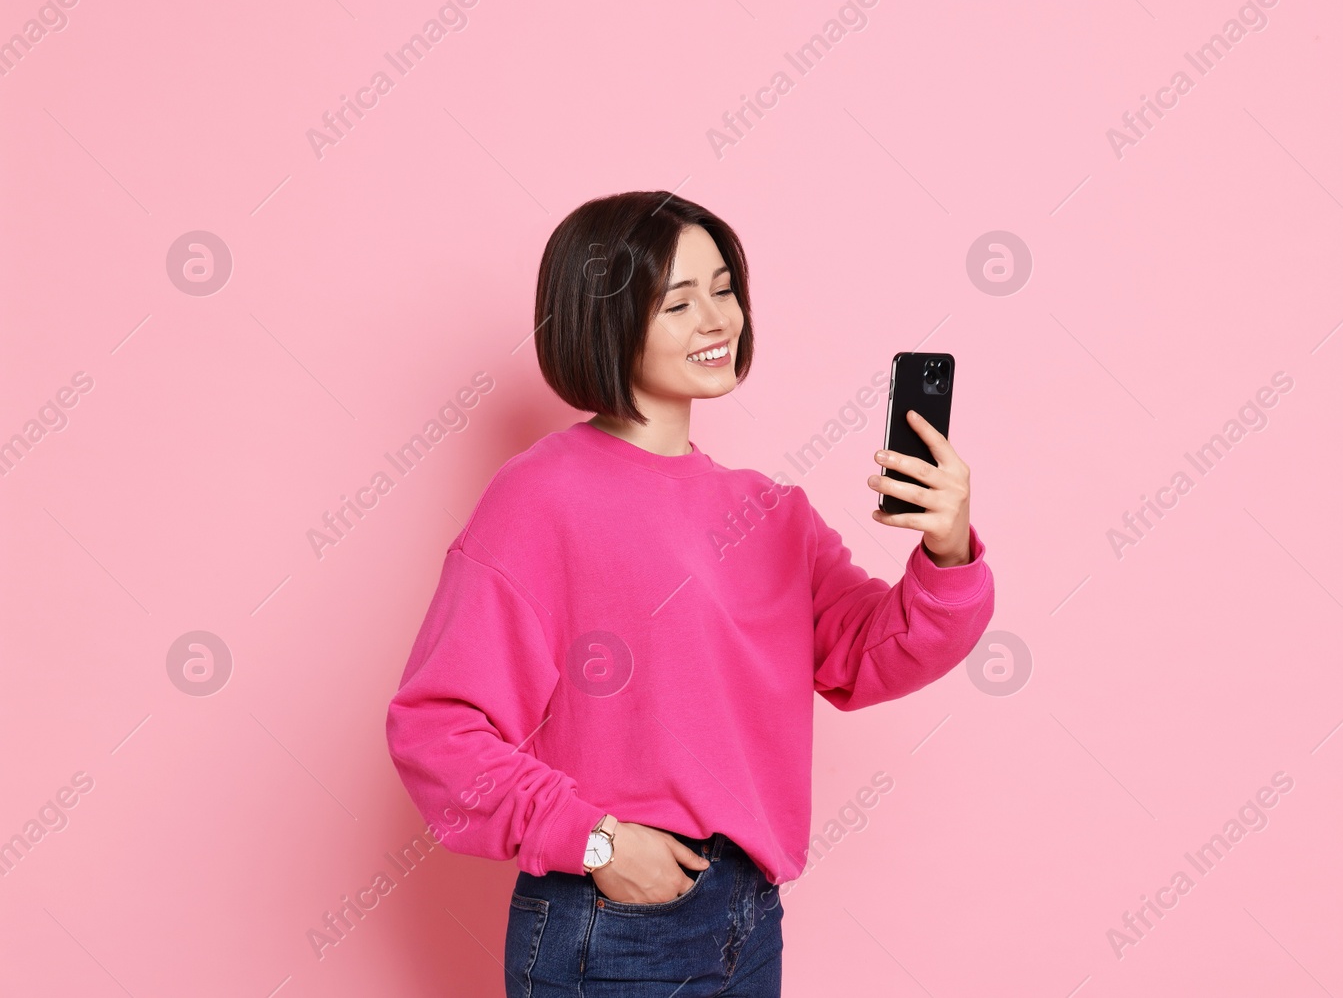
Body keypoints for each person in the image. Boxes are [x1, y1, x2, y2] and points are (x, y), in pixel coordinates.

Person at [385, 190, 997, 997]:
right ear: (603, 319)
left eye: (724, 288)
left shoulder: (772, 511)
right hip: (614, 928)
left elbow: (873, 654)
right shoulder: (541, 496)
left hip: (751, 918)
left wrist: (947, 547)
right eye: (678, 301)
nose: (717, 319)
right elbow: (436, 729)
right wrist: (596, 843)